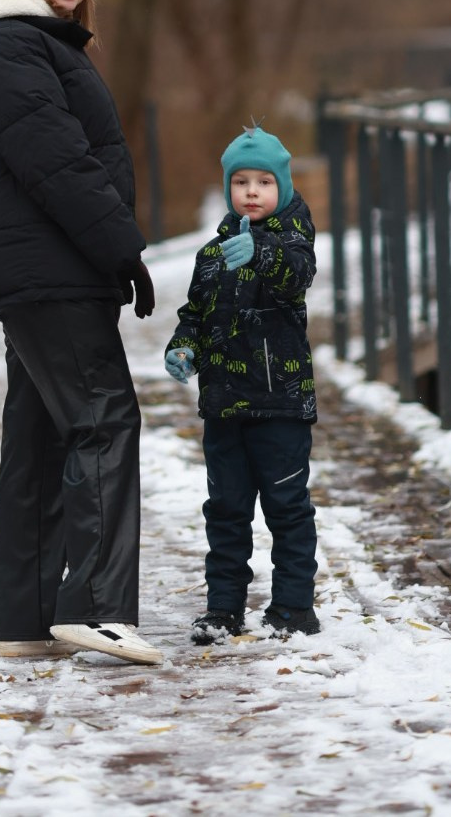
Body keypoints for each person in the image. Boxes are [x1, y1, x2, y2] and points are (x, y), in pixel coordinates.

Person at [0, 0, 162, 666]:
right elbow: (56, 162)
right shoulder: (9, 45)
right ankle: (96, 608)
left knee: (38, 438)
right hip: (52, 268)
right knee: (104, 419)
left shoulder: (29, 43)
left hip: (45, 269)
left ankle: (27, 623)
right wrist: (123, 250)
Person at [164, 125, 319, 644]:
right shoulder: (213, 254)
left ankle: (293, 608)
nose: (252, 192)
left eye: (264, 183)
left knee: (286, 507)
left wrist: (260, 255)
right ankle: (223, 608)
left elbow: (295, 275)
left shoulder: (293, 243)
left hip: (280, 405)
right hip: (224, 406)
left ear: (283, 188)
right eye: (240, 183)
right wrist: (185, 347)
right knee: (226, 510)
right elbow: (196, 314)